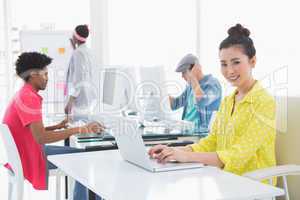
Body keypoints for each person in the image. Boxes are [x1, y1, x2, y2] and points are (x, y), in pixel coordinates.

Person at [149, 24, 276, 179]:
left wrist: (186, 156)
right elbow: (212, 141)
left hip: (253, 183)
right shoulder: (229, 101)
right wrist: (176, 151)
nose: (229, 71)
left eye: (236, 62)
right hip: (225, 179)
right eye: (224, 64)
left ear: (253, 61)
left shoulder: (264, 102)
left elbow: (238, 155)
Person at [2, 52, 103, 200]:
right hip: (31, 157)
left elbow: (32, 130)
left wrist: (56, 127)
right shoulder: (29, 98)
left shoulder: (23, 93)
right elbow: (41, 137)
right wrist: (81, 129)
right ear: (33, 75)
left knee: (82, 155)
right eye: (45, 74)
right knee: (85, 159)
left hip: (27, 153)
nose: (47, 79)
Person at [169, 54, 222, 134]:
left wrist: (193, 78)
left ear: (194, 69)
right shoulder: (190, 87)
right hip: (186, 133)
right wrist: (161, 94)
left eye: (184, 72)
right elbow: (175, 104)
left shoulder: (212, 83)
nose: (182, 76)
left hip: (200, 136)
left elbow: (202, 101)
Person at [65, 24, 98, 120]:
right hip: (86, 96)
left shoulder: (78, 53)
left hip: (80, 99)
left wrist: (70, 101)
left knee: (79, 128)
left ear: (75, 37)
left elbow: (79, 78)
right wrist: (74, 49)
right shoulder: (86, 51)